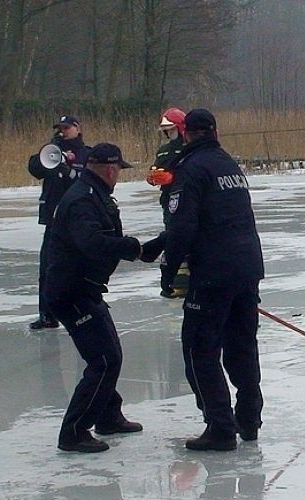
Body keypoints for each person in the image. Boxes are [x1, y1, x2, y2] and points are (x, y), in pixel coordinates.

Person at [159, 108, 265, 451]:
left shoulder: (190, 170)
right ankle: (249, 418)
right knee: (242, 347)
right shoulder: (228, 165)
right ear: (215, 132)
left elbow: (182, 226)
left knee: (199, 348)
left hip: (213, 274)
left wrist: (168, 268)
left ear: (186, 133)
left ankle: (220, 426)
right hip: (247, 268)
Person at [45, 142, 144, 453]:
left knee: (110, 352)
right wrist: (131, 247)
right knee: (104, 359)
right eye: (119, 171)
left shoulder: (92, 193)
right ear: (111, 169)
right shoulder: (83, 200)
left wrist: (135, 249)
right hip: (70, 292)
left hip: (84, 287)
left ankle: (107, 414)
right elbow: (92, 242)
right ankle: (74, 431)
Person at [27, 114, 90, 330]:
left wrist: (69, 168)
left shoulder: (87, 154)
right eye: (60, 128)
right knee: (47, 269)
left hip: (77, 221)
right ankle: (47, 315)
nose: (63, 131)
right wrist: (52, 150)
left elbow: (87, 181)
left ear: (78, 128)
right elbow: (35, 167)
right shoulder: (52, 150)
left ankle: (80, 312)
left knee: (78, 269)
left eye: (67, 128)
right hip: (54, 220)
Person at [143, 107, 190, 298]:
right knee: (173, 237)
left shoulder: (190, 148)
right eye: (166, 130)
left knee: (184, 238)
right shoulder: (163, 151)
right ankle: (174, 280)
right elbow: (155, 170)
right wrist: (154, 178)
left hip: (187, 199)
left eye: (171, 129)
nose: (169, 133)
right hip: (168, 200)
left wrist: (174, 177)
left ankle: (186, 278)